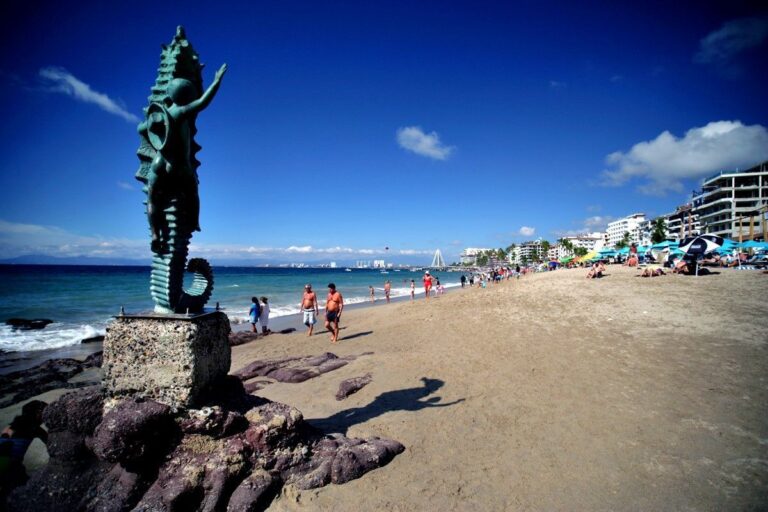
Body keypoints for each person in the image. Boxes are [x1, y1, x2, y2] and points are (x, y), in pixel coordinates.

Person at [1, 400, 47, 495]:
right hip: (10, 465)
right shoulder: (34, 428)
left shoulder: (10, 426)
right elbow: (50, 443)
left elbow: (5, 438)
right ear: (38, 413)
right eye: (45, 412)